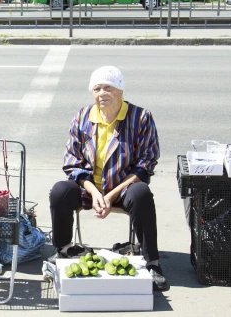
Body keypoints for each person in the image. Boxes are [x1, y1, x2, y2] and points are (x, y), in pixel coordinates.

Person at [47, 66, 169, 292]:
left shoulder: (141, 117)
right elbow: (72, 161)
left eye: (108, 88)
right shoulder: (83, 116)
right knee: (59, 191)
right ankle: (62, 250)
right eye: (97, 88)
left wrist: (110, 195)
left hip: (123, 188)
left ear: (120, 91)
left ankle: (152, 262)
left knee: (142, 193)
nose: (102, 93)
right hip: (89, 188)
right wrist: (94, 192)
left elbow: (146, 163)